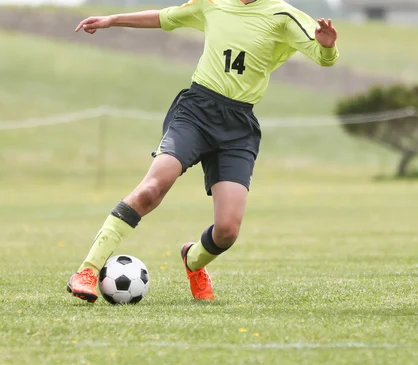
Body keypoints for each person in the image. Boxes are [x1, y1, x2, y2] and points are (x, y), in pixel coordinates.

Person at [66, 0, 339, 303]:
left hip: (238, 127)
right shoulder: (211, 5)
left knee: (227, 231)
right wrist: (111, 20)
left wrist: (327, 47)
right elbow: (162, 17)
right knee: (152, 190)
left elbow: (323, 56)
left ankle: (193, 261)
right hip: (196, 112)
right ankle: (87, 271)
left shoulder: (283, 15)